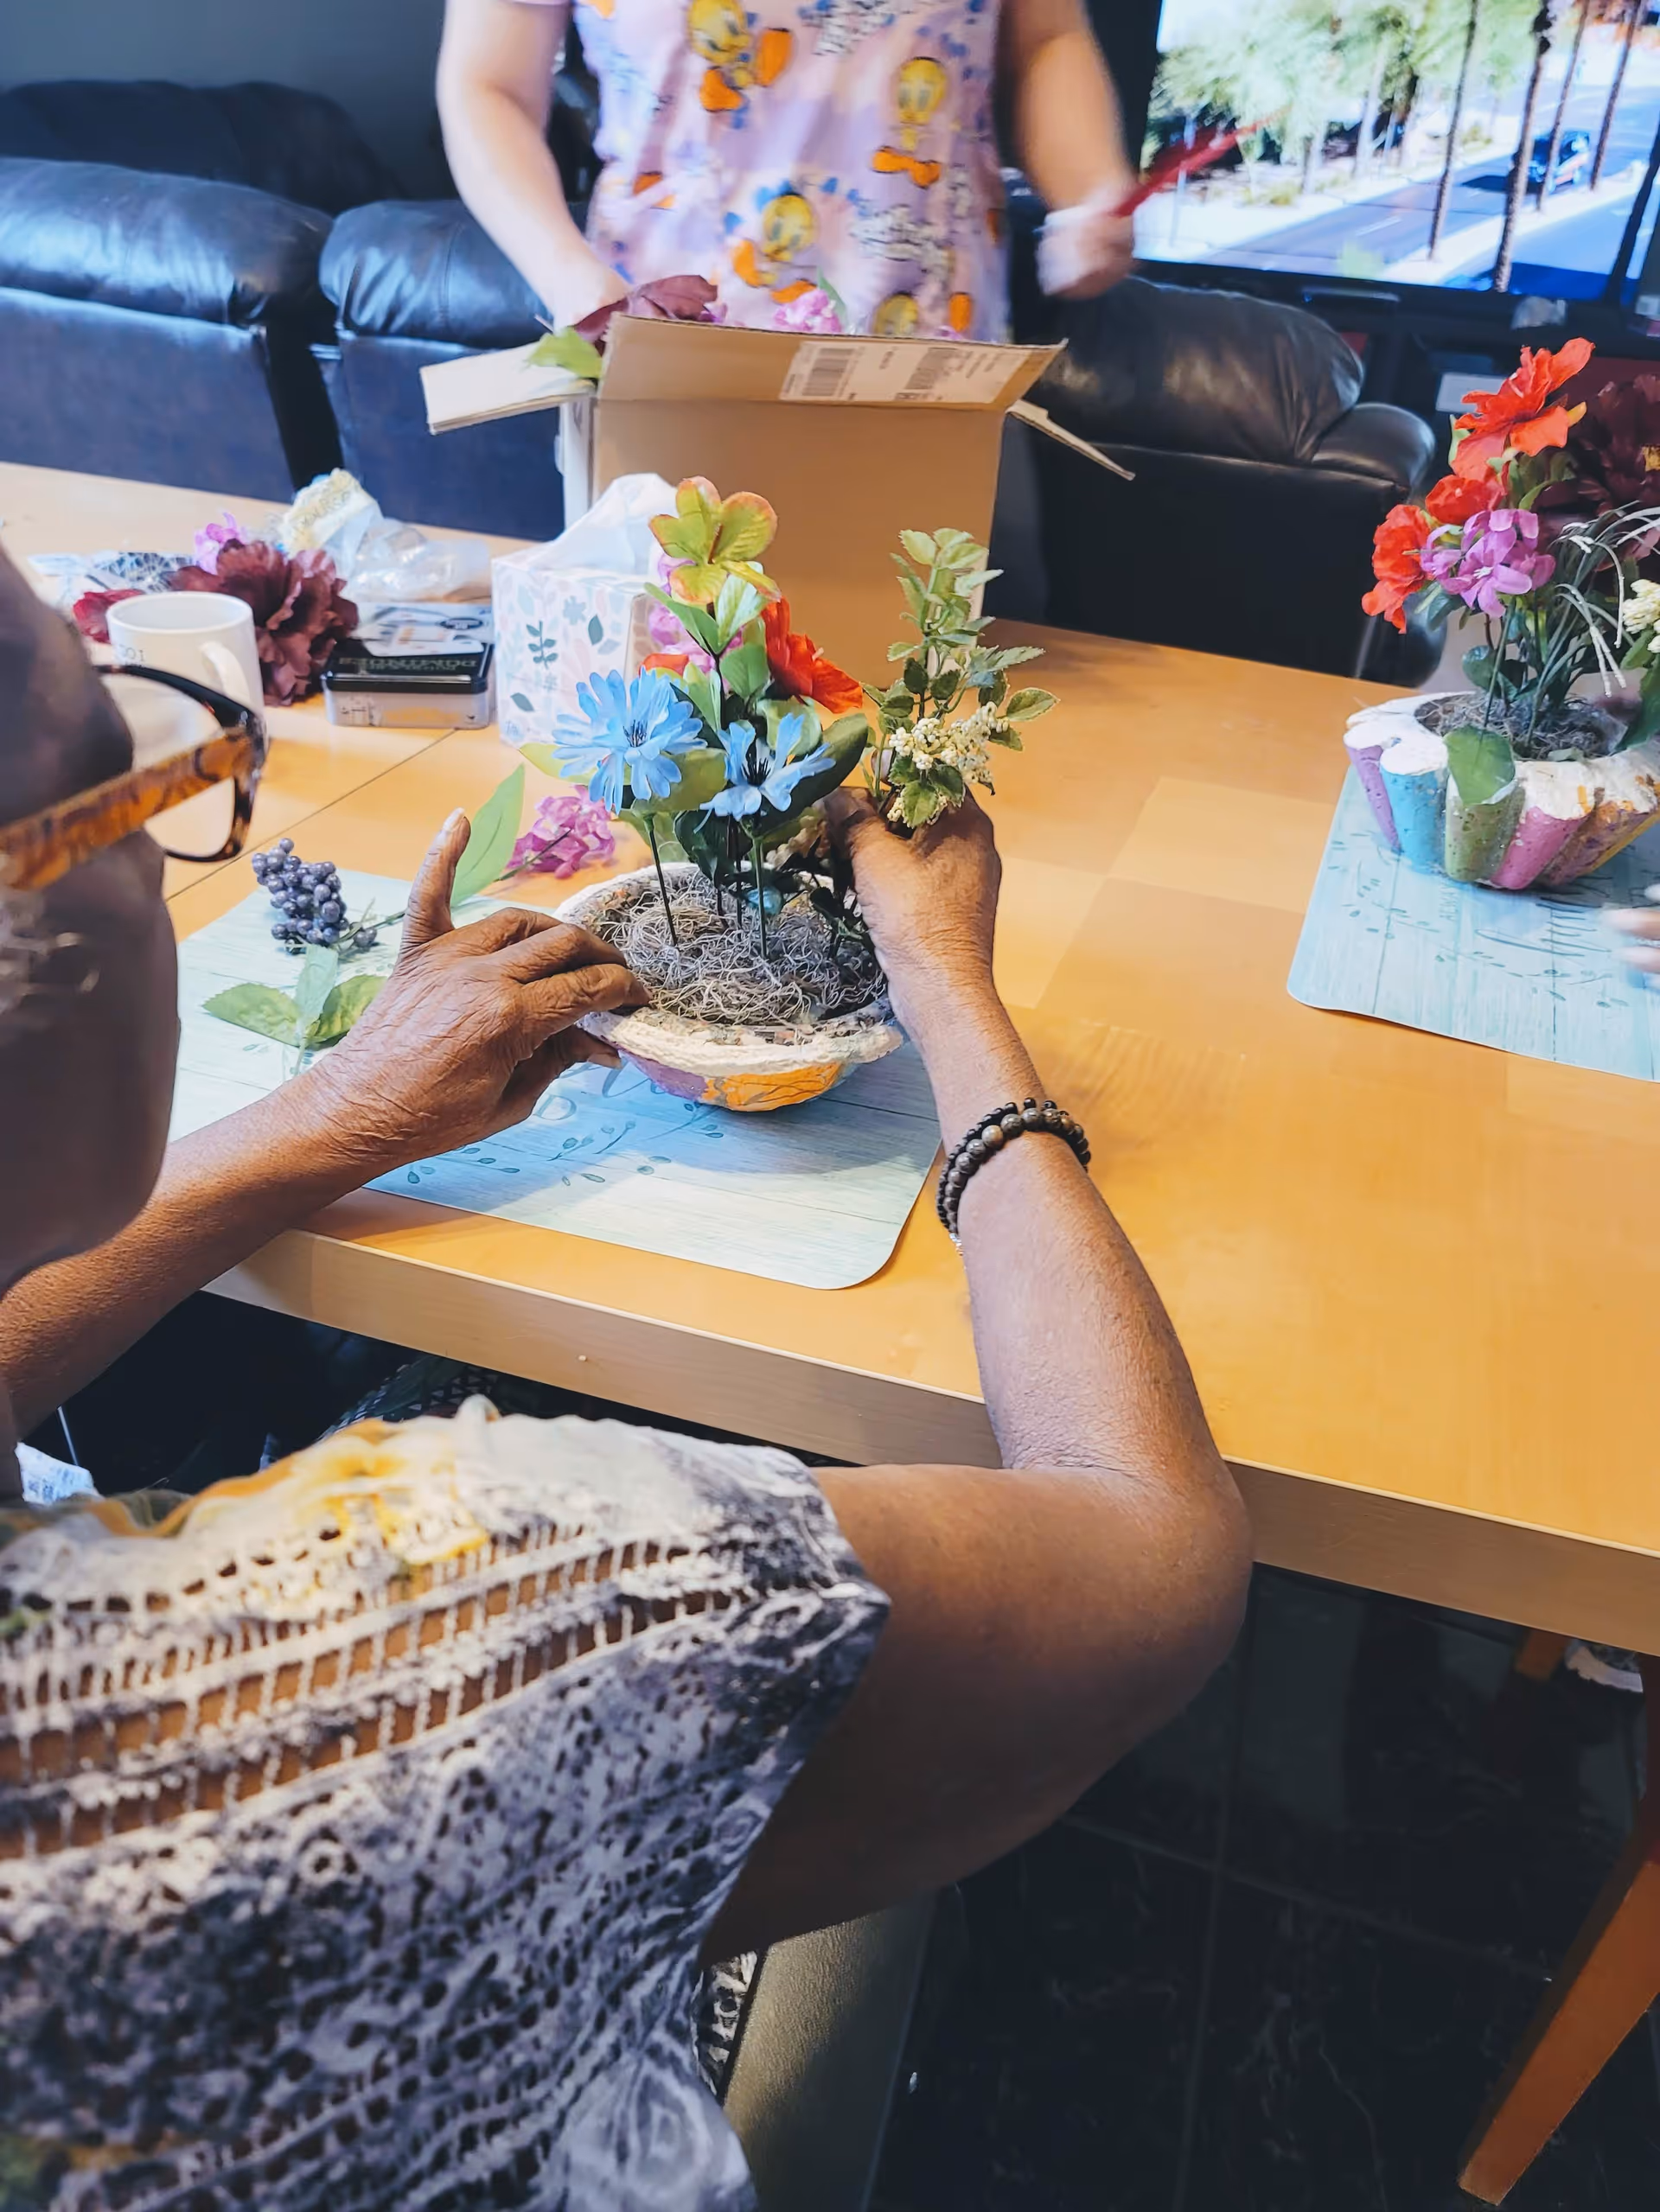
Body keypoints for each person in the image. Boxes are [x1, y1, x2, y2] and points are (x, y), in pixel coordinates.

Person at [0, 551, 1248, 2209]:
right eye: (137, 777)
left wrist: (342, 1107)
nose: (175, 845)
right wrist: (949, 985)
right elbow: (1158, 1553)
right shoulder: (463, 1624)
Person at [435, 0, 1138, 341]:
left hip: (937, 360)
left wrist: (1088, 192)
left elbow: (1049, 38)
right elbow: (486, 83)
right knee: (674, 631)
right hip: (673, 358)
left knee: (938, 631)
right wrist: (568, 277)